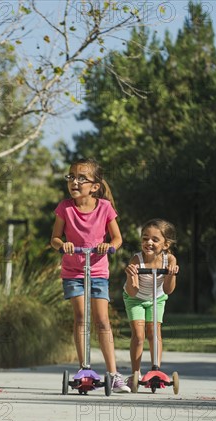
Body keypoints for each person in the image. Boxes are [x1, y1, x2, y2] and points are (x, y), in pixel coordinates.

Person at [50, 158, 130, 393]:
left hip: (97, 270)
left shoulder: (105, 207)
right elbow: (54, 238)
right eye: (71, 176)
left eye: (81, 178)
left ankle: (113, 374)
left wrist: (109, 246)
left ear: (95, 186)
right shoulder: (64, 208)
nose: (74, 181)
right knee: (81, 317)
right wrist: (62, 244)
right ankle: (84, 368)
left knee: (102, 320)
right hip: (73, 271)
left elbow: (117, 239)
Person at [123, 219, 179, 386]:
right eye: (145, 238)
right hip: (135, 299)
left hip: (157, 298)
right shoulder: (136, 259)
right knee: (139, 336)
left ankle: (156, 369)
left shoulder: (169, 260)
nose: (148, 242)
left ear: (166, 244)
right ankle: (136, 373)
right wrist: (129, 275)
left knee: (154, 333)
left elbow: (168, 290)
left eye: (155, 240)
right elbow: (133, 291)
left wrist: (171, 274)